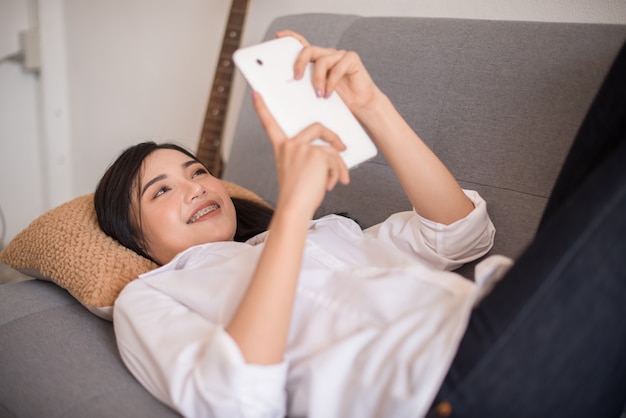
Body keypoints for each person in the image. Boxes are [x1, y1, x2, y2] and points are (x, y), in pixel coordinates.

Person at [94, 29, 626, 418]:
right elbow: (234, 401)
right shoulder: (149, 296)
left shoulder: (327, 234)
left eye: (199, 171)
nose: (197, 187)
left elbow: (464, 235)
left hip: (503, 315)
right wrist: (294, 209)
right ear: (134, 236)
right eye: (162, 190)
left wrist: (372, 107)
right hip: (438, 386)